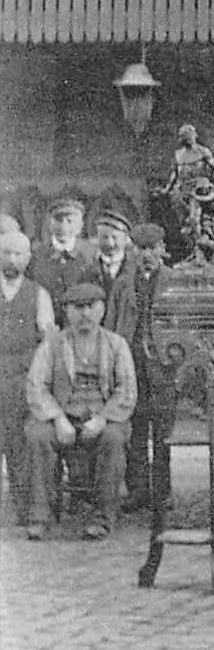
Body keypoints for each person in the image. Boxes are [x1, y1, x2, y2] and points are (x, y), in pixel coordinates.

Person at [21, 283, 134, 540]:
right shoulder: (53, 345)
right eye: (77, 307)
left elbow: (126, 390)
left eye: (90, 307)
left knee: (114, 439)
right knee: (38, 436)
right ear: (67, 311)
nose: (84, 314)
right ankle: (40, 515)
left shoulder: (116, 344)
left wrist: (103, 419)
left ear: (102, 310)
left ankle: (103, 518)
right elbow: (36, 385)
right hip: (64, 417)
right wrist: (59, 418)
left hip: (103, 418)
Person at [0, 230, 53, 523]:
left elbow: (47, 345)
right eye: (6, 252)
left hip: (23, 380)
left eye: (18, 253)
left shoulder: (38, 294)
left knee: (22, 445)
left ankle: (25, 510)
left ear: (28, 258)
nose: (11, 258)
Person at [120, 224, 174, 514]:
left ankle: (163, 492)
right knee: (136, 430)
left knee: (163, 431)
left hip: (163, 365)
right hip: (131, 362)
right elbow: (115, 323)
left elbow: (184, 327)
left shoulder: (173, 281)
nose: (147, 255)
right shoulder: (124, 283)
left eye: (153, 248)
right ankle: (138, 489)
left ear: (163, 250)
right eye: (141, 248)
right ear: (133, 251)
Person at [28, 197, 96, 326]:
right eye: (58, 220)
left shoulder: (91, 254)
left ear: (80, 226)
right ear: (50, 224)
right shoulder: (38, 255)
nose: (63, 226)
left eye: (70, 221)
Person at [160, 123, 214, 246]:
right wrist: (167, 189)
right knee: (184, 224)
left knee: (194, 219)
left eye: (190, 136)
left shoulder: (202, 151)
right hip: (182, 191)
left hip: (200, 190)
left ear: (194, 136)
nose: (188, 139)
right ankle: (194, 248)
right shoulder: (178, 154)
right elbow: (175, 173)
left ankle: (200, 248)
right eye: (185, 137)